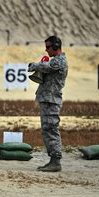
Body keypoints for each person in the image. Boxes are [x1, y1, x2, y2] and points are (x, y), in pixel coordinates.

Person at [28, 35, 68, 172]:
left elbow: (48, 67)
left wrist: (33, 65)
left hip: (52, 100)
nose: (46, 50)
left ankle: (56, 161)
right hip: (48, 100)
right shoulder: (56, 60)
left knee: (51, 129)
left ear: (56, 46)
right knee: (47, 130)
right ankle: (53, 159)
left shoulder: (60, 61)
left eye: (48, 47)